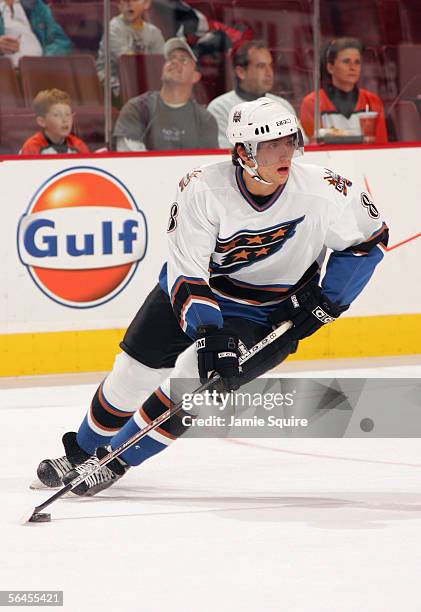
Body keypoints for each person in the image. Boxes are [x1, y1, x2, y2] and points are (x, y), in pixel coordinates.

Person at [34, 96, 388, 496]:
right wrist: (209, 331)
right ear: (243, 152)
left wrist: (328, 302)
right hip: (197, 294)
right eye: (271, 144)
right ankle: (80, 452)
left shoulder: (325, 191)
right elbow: (187, 270)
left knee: (189, 381)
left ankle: (113, 461)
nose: (285, 152)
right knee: (131, 374)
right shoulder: (203, 188)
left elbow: (369, 241)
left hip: (265, 316)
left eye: (290, 141)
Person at [113, 36, 218, 151]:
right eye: (170, 58)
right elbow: (127, 157)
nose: (174, 62)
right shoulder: (137, 108)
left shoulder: (204, 119)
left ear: (195, 76)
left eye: (183, 60)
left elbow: (207, 163)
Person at [207, 40, 306, 149]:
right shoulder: (220, 108)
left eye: (270, 65)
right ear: (241, 72)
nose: (269, 72)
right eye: (261, 66)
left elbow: (301, 145)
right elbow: (223, 153)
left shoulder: (283, 106)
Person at [300, 38, 388, 144]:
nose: (353, 67)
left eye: (357, 62)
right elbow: (312, 147)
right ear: (330, 67)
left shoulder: (373, 101)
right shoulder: (313, 102)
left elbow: (381, 146)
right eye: (346, 61)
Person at [96, 0, 165, 97]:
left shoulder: (154, 32)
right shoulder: (114, 28)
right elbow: (128, 63)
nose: (129, 4)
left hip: (143, 83)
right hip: (112, 83)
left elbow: (160, 65)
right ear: (120, 6)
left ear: (146, 4)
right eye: (125, 0)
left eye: (135, 0)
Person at [0, 0, 72, 67]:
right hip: (8, 72)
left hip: (41, 70)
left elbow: (61, 41)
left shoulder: (35, 4)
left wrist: (44, 61)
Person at [20, 88, 89, 155]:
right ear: (42, 121)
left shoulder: (79, 146)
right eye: (57, 115)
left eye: (68, 114)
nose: (65, 120)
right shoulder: (32, 147)